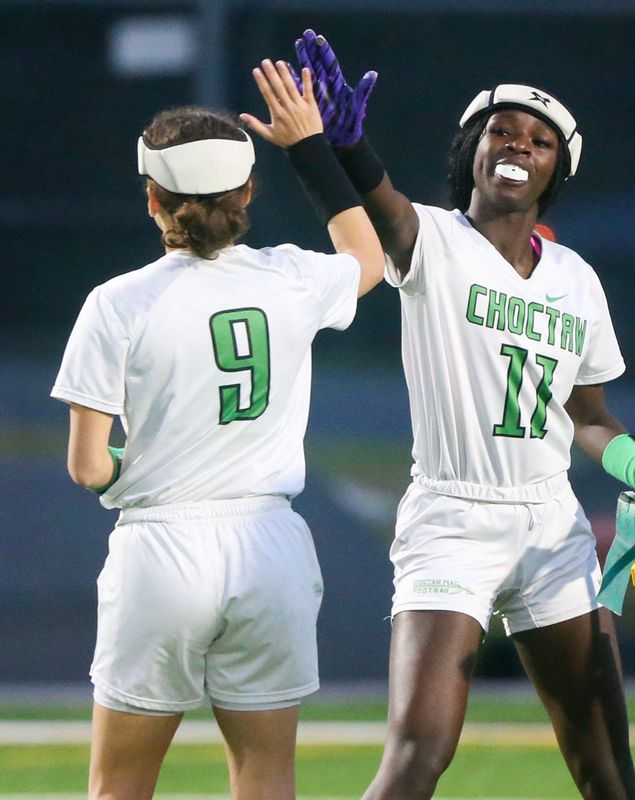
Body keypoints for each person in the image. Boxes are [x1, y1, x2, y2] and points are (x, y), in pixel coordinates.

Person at [294, 29, 635, 800]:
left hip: (551, 525)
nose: (517, 143)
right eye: (499, 129)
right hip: (451, 516)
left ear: (555, 169)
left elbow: (590, 417)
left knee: (608, 771)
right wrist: (346, 148)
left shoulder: (576, 277)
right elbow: (384, 209)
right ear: (472, 148)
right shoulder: (433, 238)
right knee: (416, 755)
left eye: (538, 139)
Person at [50, 59, 384, 800]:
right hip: (270, 548)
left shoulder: (116, 303)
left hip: (162, 549)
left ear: (152, 198)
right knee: (266, 774)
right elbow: (367, 256)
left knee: (120, 785)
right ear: (246, 193)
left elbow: (86, 468)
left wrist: (132, 462)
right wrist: (311, 148)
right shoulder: (290, 280)